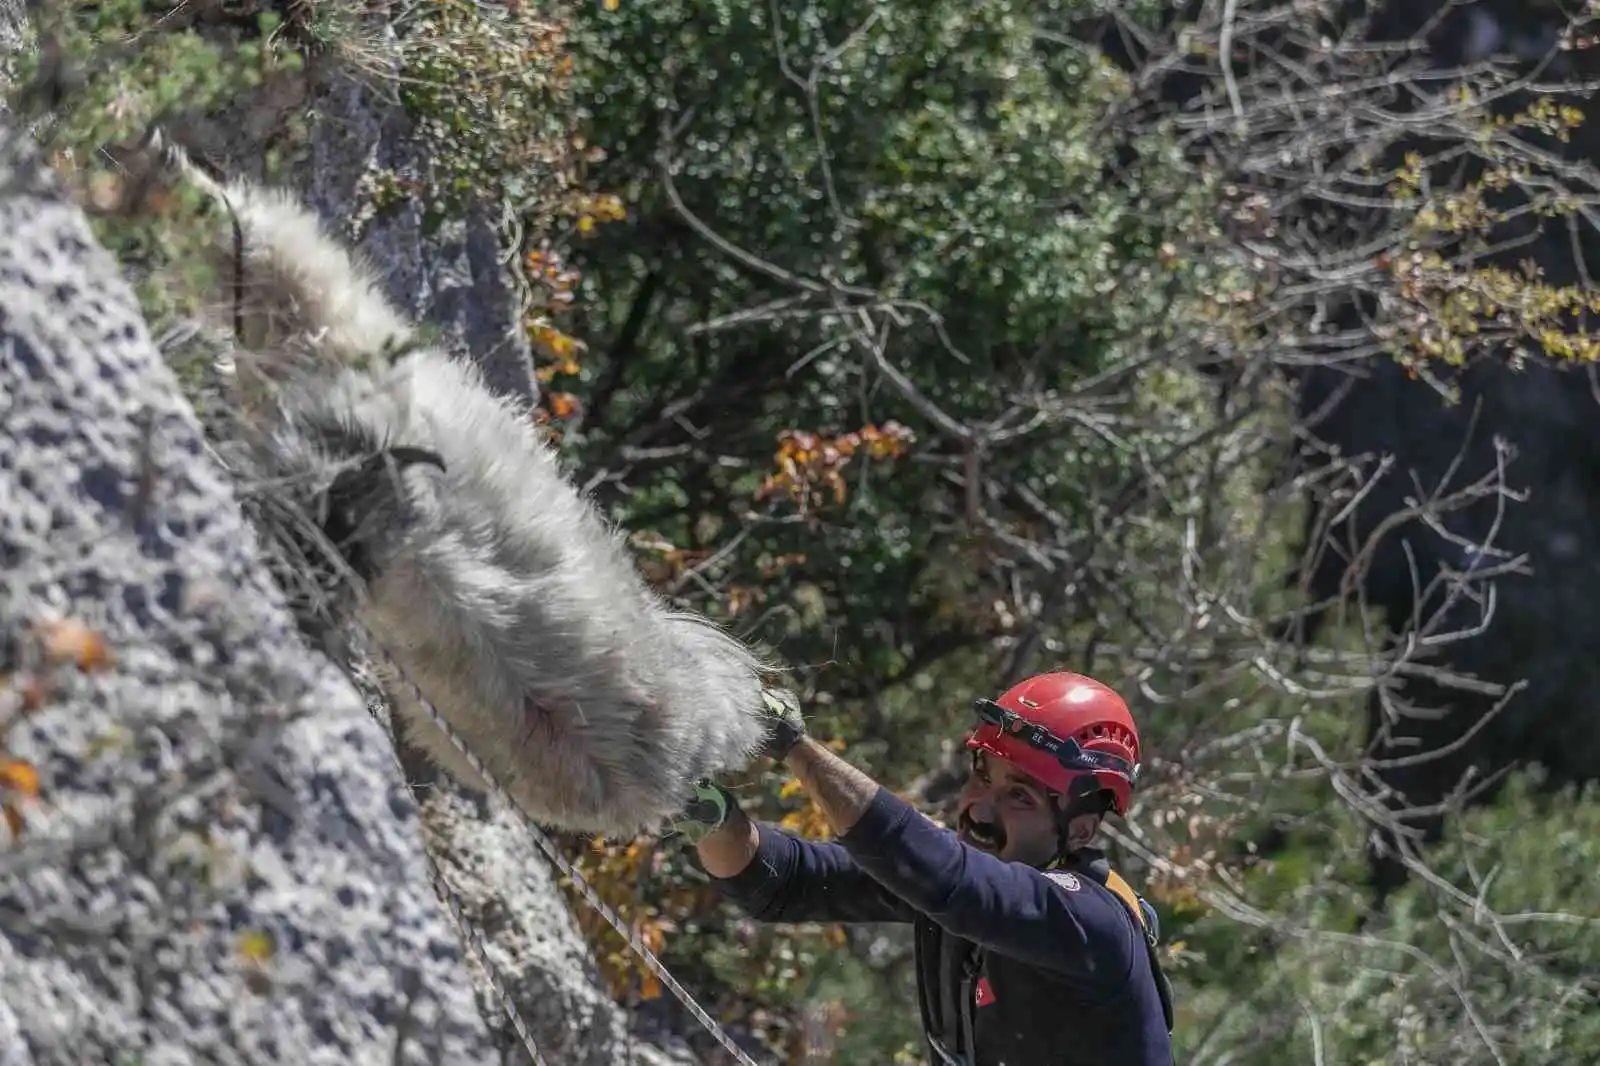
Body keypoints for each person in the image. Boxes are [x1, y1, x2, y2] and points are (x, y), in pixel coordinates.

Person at [677, 672, 1176, 1066]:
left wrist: (794, 747)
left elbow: (947, 879)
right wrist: (706, 814)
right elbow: (780, 881)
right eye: (981, 776)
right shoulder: (963, 883)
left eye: (1018, 797)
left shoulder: (1087, 922)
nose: (978, 809)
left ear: (1081, 831)